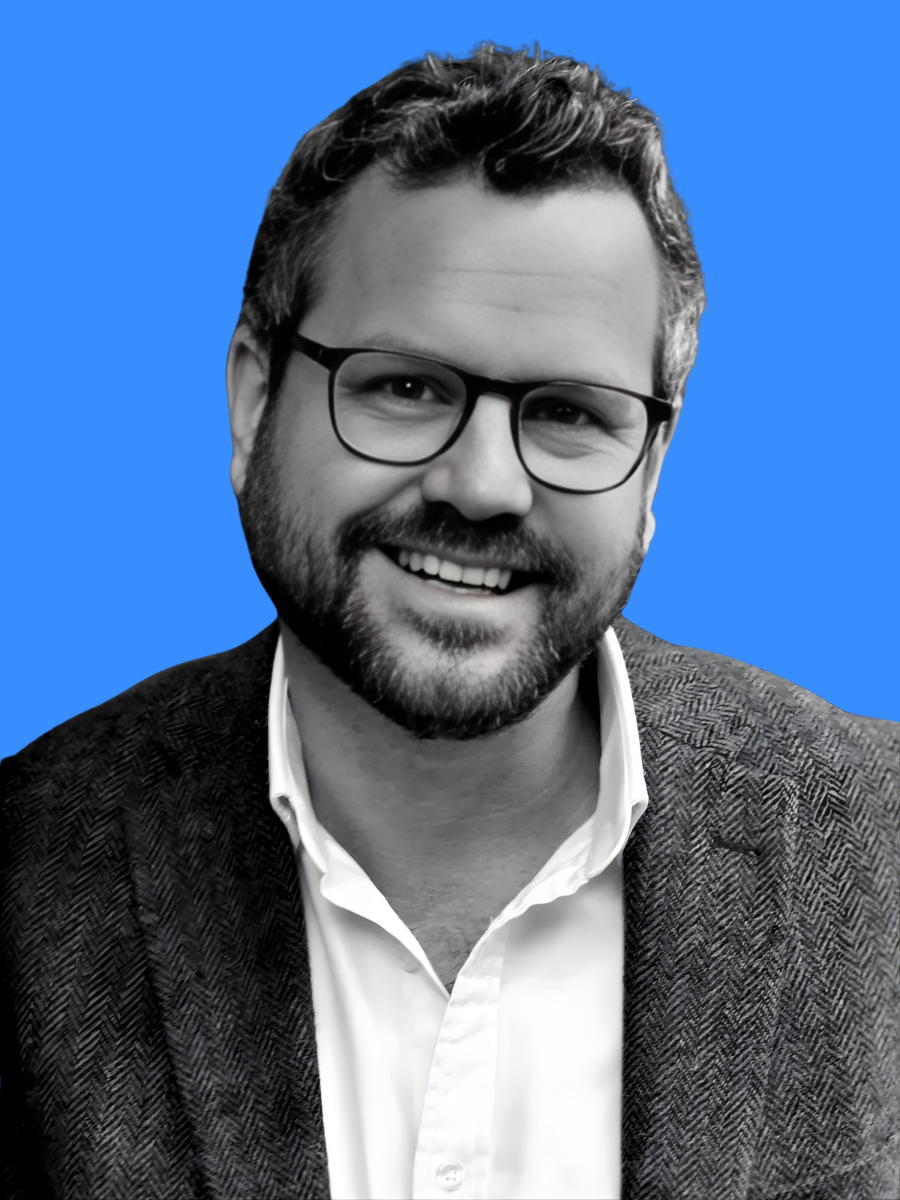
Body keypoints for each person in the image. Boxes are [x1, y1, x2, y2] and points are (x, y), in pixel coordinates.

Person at [1, 44, 897, 1200]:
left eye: (568, 412)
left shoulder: (872, 849)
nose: (484, 485)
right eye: (406, 386)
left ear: (652, 464)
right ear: (251, 398)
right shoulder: (30, 879)